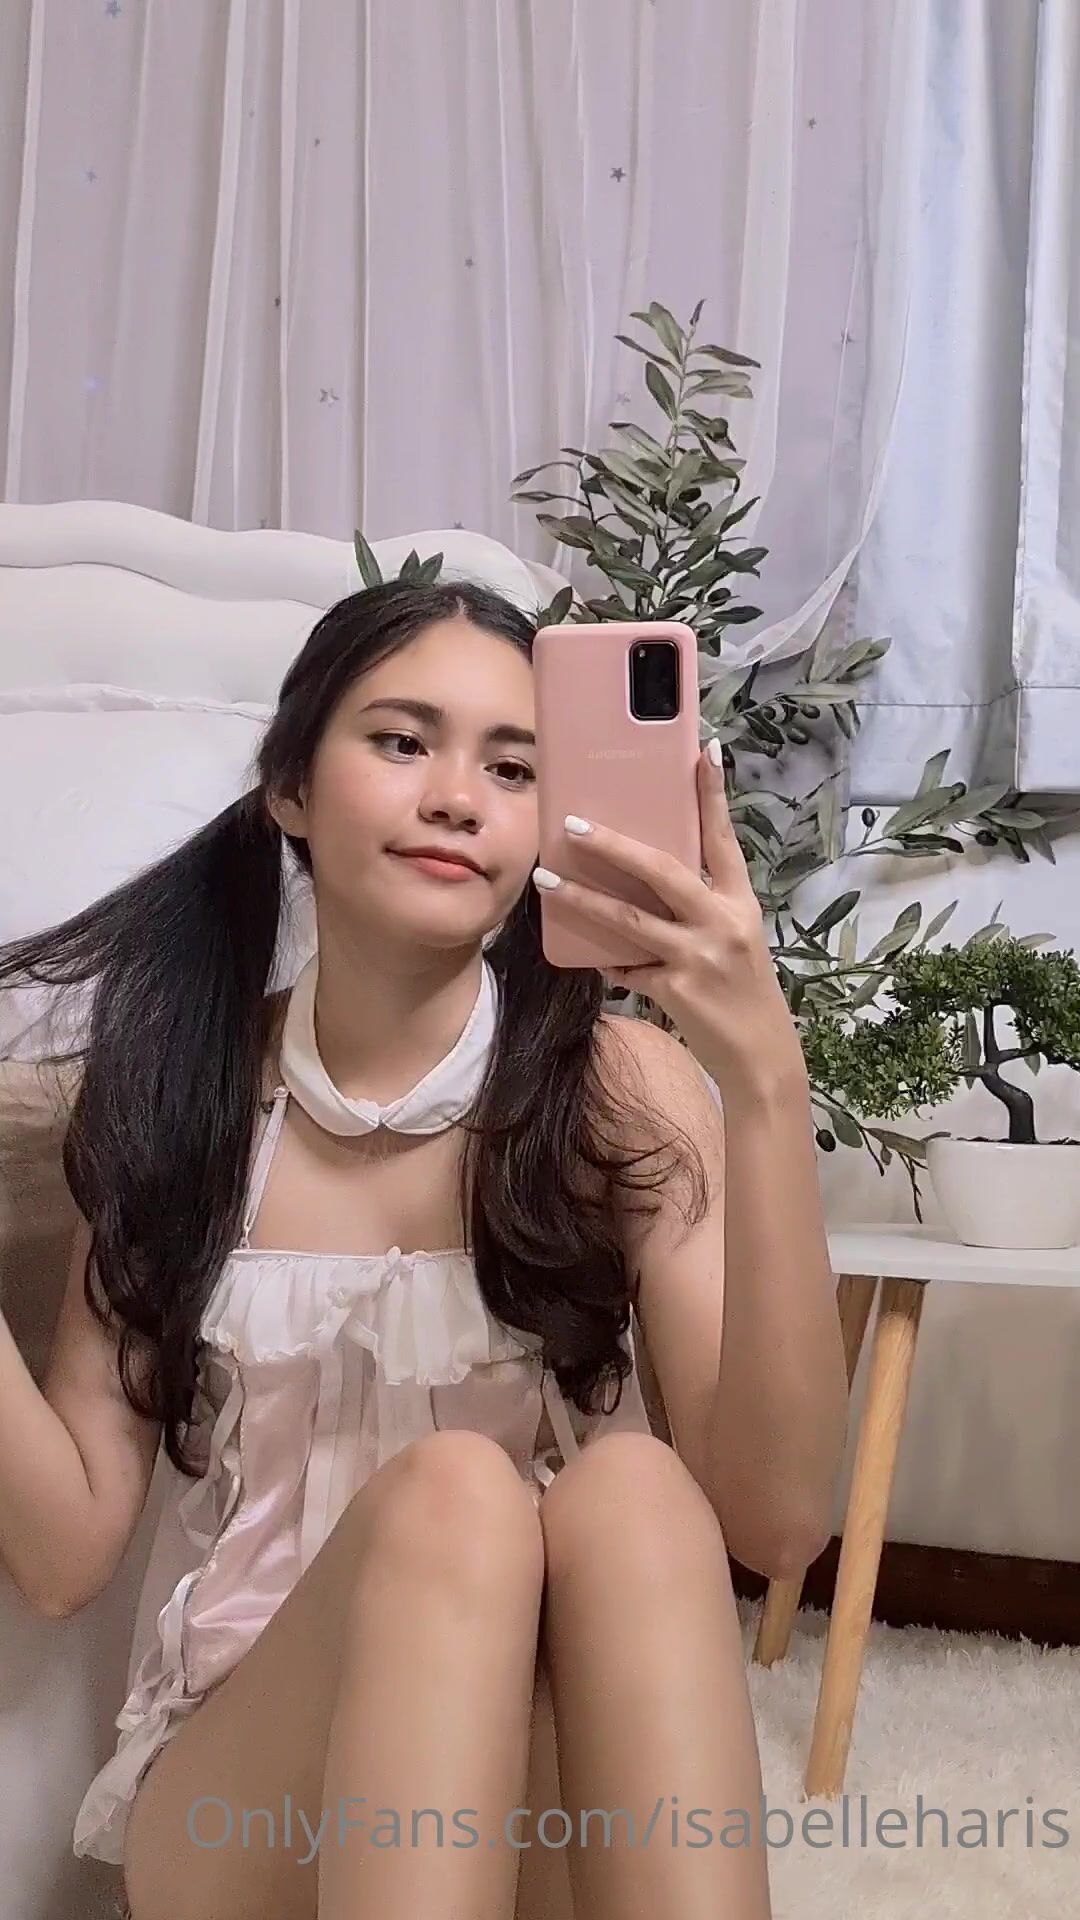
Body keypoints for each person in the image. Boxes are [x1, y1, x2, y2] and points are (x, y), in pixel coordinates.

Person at [0, 578, 848, 1920]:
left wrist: (764, 1083)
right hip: (250, 1807)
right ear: (290, 787)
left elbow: (782, 1522)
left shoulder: (617, 1093)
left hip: (545, 1812)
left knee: (634, 1493)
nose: (457, 797)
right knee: (457, 1493)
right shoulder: (183, 1092)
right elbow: (60, 1558)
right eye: (401, 742)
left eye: (513, 768)